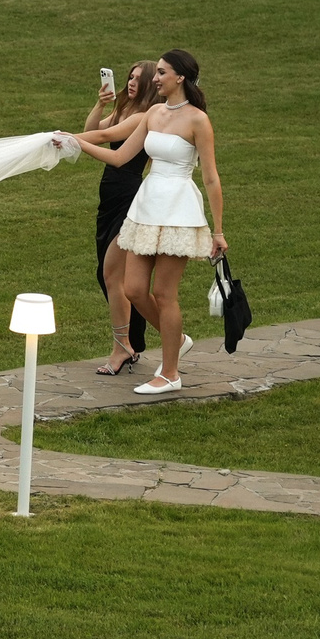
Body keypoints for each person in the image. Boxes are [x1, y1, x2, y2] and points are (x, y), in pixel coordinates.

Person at [67, 50, 225, 396]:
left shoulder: (198, 120)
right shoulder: (153, 113)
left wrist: (218, 231)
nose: (156, 78)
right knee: (135, 289)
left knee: (163, 294)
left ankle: (170, 373)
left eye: (162, 72)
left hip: (178, 208)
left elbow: (211, 178)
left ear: (180, 77)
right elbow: (120, 155)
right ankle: (177, 340)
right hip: (146, 206)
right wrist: (74, 141)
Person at [70, 60, 162, 375]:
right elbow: (94, 130)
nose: (132, 82)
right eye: (130, 77)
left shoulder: (141, 116)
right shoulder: (125, 109)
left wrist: (65, 138)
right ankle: (134, 341)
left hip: (129, 197)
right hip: (109, 196)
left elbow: (103, 139)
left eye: (139, 78)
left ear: (150, 84)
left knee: (112, 275)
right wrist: (100, 104)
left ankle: (122, 347)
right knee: (108, 276)